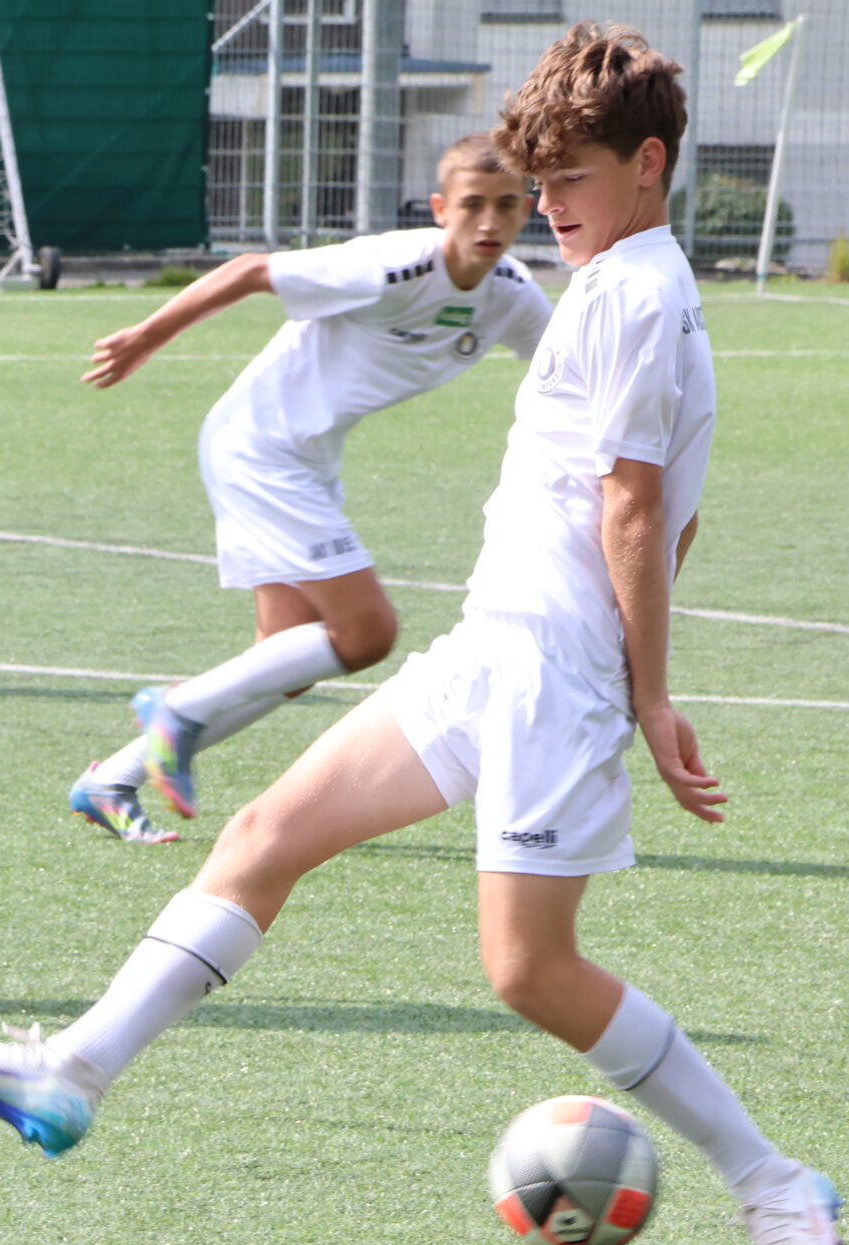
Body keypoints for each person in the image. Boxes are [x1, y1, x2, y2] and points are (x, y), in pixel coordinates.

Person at [0, 24, 844, 1245]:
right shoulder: (614, 282)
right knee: (263, 836)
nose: (547, 208)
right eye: (537, 183)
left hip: (553, 673)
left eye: (569, 181)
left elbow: (636, 509)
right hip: (491, 646)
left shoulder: (632, 292)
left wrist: (647, 692)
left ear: (648, 164)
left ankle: (772, 1181)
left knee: (528, 970)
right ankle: (71, 1071)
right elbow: (670, 509)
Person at [68, 136, 551, 845]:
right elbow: (250, 270)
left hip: (304, 457)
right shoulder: (392, 265)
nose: (489, 221)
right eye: (472, 204)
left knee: (285, 660)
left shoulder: (512, 294)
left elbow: (568, 373)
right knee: (368, 633)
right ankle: (177, 709)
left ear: (527, 210)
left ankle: (111, 779)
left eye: (506, 205)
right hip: (260, 449)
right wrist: (147, 335)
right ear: (439, 208)